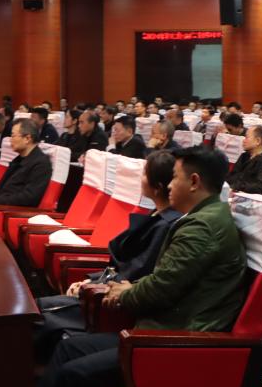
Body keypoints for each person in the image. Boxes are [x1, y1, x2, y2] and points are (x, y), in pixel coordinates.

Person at [36, 146, 247, 387]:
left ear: (194, 182)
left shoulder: (203, 227)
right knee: (68, 347)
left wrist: (126, 293)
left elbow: (161, 288)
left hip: (171, 342)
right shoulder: (206, 216)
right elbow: (165, 280)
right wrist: (129, 288)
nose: (169, 185)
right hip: (154, 329)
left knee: (72, 375)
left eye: (175, 177)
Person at [33, 151, 183, 362]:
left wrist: (94, 284)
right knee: (37, 307)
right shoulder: (156, 215)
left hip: (112, 301)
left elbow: (135, 272)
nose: (140, 179)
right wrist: (91, 279)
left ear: (157, 186)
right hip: (103, 289)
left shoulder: (166, 225)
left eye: (144, 174)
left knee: (38, 313)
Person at [0, 119, 51, 209]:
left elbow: (29, 197)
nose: (10, 140)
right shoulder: (19, 159)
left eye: (13, 136)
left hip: (9, 211)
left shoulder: (41, 164)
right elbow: (2, 188)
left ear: (27, 139)